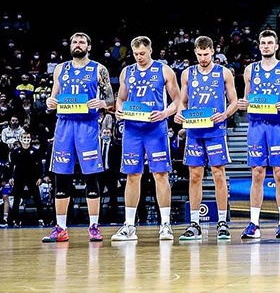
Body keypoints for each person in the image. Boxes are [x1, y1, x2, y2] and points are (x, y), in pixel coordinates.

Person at [42, 32, 113, 243]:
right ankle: (61, 228)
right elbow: (53, 97)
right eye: (75, 41)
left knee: (91, 176)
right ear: (70, 45)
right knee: (61, 176)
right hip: (64, 125)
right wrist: (49, 102)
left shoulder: (99, 69)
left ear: (89, 47)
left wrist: (102, 103)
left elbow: (110, 99)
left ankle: (94, 227)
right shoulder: (60, 69)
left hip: (87, 126)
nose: (78, 44)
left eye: (82, 42)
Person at [236, 29, 280, 239]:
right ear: (259, 46)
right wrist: (243, 104)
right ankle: (254, 224)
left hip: (277, 127)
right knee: (257, 173)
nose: (266, 46)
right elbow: (246, 99)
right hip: (256, 126)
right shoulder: (250, 70)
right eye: (263, 43)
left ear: (276, 46)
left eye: (269, 43)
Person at [111, 36, 180, 242]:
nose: (139, 57)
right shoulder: (127, 72)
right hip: (133, 129)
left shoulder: (164, 70)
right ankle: (129, 226)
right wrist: (119, 110)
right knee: (132, 175)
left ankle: (165, 225)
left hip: (156, 128)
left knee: (160, 174)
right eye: (135, 54)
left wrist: (165, 113)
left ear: (150, 51)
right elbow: (120, 99)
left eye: (142, 53)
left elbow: (178, 100)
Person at [175, 35, 239, 241]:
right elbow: (182, 101)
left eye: (206, 54)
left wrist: (225, 114)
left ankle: (222, 222)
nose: (203, 58)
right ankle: (194, 224)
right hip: (194, 131)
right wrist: (180, 114)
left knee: (219, 174)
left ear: (213, 51)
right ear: (195, 53)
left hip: (215, 130)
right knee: (195, 176)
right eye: (199, 54)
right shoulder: (187, 73)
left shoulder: (224, 73)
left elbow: (234, 101)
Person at [8, 131, 50, 227]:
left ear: (30, 139)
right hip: (19, 177)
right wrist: (10, 177)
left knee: (37, 199)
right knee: (16, 199)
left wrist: (40, 177)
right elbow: (11, 166)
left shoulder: (35, 151)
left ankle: (43, 219)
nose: (26, 140)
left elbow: (40, 166)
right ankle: (13, 220)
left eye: (28, 138)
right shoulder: (15, 152)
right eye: (24, 138)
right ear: (20, 139)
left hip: (32, 178)